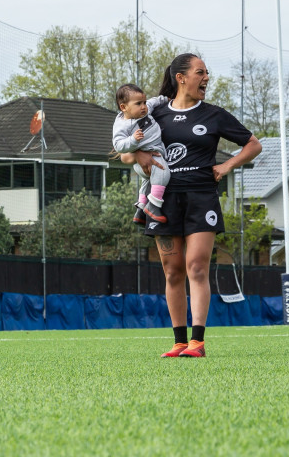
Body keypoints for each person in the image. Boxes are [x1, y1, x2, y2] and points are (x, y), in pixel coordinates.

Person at [121, 53, 262, 358]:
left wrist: (227, 167)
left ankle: (197, 342)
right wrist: (138, 156)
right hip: (164, 200)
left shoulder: (214, 115)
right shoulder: (153, 113)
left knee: (196, 266)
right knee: (173, 272)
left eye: (207, 73)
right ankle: (179, 341)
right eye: (201, 73)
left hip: (201, 199)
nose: (207, 78)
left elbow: (253, 144)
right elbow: (124, 150)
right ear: (181, 78)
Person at [112, 84, 170, 224]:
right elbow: (118, 145)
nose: (144, 106)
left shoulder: (144, 111)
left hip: (150, 157)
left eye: (144, 102)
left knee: (147, 182)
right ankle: (154, 205)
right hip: (149, 157)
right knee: (164, 173)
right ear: (124, 107)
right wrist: (133, 140)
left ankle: (141, 208)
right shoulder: (122, 125)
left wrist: (166, 99)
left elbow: (154, 102)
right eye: (138, 103)